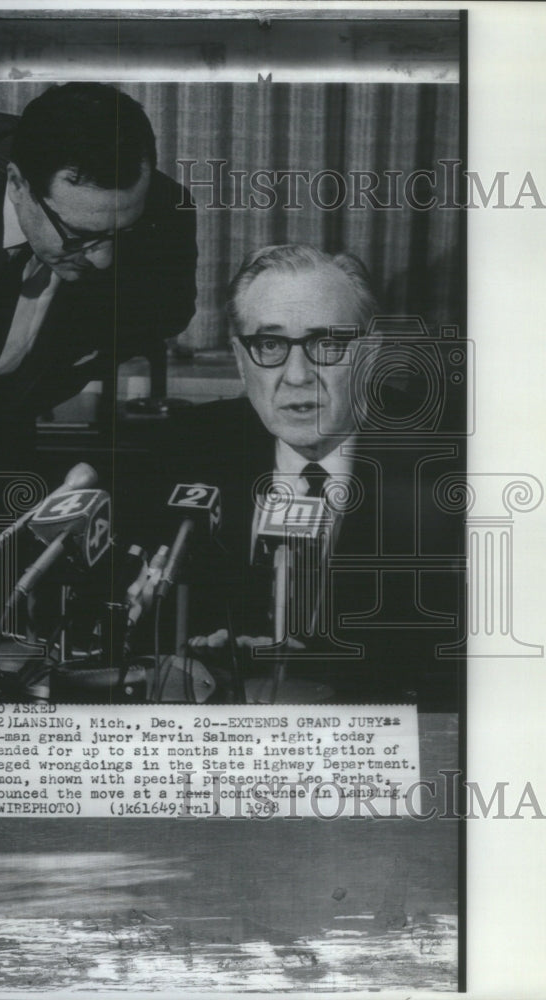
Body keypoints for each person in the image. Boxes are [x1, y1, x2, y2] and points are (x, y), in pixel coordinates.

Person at [126, 244, 464, 706]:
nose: (298, 375)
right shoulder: (184, 449)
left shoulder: (451, 463)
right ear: (241, 362)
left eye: (327, 344)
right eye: (270, 345)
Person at [0, 82, 197, 469]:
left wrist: (20, 395)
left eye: (121, 234)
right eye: (80, 236)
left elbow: (161, 318)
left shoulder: (164, 211)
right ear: (18, 184)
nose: (104, 260)